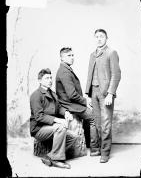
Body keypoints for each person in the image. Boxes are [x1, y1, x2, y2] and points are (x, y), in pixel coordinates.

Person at [56, 47, 100, 156]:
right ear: (62, 58)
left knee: (89, 116)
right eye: (68, 56)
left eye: (72, 55)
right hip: (69, 105)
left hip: (71, 103)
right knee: (93, 117)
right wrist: (85, 102)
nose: (72, 58)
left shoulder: (66, 69)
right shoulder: (64, 71)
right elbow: (72, 95)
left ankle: (90, 144)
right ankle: (94, 149)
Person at [85, 29, 121, 163]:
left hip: (105, 93)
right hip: (93, 92)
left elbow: (116, 75)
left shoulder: (111, 53)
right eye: (97, 37)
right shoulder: (92, 55)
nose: (99, 39)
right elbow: (90, 75)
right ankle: (95, 149)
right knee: (95, 122)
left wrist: (110, 94)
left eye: (102, 36)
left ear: (107, 38)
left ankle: (105, 153)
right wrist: (88, 95)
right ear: (94, 39)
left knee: (105, 123)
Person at [30, 68, 77, 169]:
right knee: (61, 127)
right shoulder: (36, 95)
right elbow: (39, 116)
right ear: (40, 80)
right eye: (47, 78)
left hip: (50, 127)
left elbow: (59, 108)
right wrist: (58, 120)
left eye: (51, 78)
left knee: (73, 136)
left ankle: (50, 157)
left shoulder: (52, 93)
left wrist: (66, 113)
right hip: (39, 129)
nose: (50, 80)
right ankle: (56, 159)